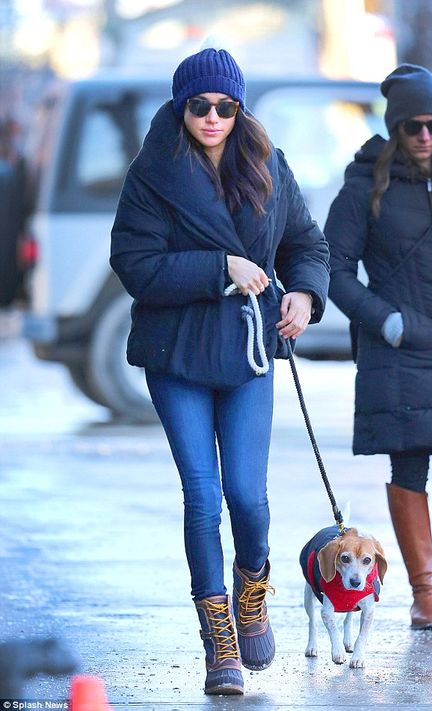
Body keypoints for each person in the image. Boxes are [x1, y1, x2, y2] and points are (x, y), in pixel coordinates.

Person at [110, 47, 330, 695]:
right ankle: (219, 640)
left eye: (225, 106)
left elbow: (305, 243)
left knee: (248, 494)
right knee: (203, 495)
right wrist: (220, 267)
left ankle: (253, 585)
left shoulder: (268, 164)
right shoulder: (152, 173)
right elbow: (135, 264)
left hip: (247, 350)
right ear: (181, 107)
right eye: (199, 106)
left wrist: (304, 294)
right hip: (176, 352)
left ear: (240, 108)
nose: (212, 117)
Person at [324, 63, 432, 632]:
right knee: (410, 462)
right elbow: (333, 268)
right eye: (413, 126)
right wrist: (382, 318)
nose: (425, 136)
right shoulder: (365, 187)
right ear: (396, 128)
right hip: (401, 346)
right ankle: (423, 590)